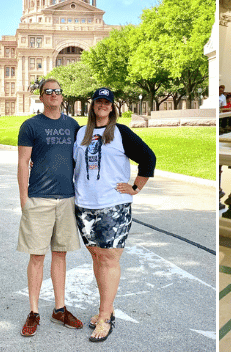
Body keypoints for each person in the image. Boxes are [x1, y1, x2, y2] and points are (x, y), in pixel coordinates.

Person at [73, 87, 156, 343]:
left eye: (107, 102)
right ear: (93, 106)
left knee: (108, 258)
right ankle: (105, 307)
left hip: (113, 206)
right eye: (98, 101)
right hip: (85, 205)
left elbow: (148, 158)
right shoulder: (80, 133)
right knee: (97, 256)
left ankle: (105, 316)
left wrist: (135, 188)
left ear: (112, 107)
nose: (102, 105)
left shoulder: (120, 133)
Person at [17, 79, 83, 337]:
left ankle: (59, 308)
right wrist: (24, 199)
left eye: (57, 91)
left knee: (60, 254)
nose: (54, 95)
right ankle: (34, 311)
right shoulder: (31, 125)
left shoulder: (72, 126)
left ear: (62, 96)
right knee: (37, 256)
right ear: (41, 97)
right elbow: (23, 162)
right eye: (48, 91)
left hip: (67, 199)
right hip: (39, 199)